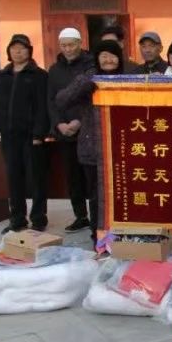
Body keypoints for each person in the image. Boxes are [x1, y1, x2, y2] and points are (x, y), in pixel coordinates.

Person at [55, 40, 124, 244]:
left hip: (121, 150)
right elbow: (61, 100)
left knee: (120, 196)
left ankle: (121, 237)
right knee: (97, 197)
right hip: (93, 149)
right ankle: (100, 238)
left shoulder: (127, 79)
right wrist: (86, 82)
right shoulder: (88, 79)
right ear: (97, 59)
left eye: (113, 55)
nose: (108, 60)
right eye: (104, 55)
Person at [0, 34, 50, 232]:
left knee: (36, 178)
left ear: (29, 51)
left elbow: (43, 106)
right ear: (9, 52)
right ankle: (17, 219)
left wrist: (39, 134)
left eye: (22, 49)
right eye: (14, 48)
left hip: (31, 136)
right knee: (13, 178)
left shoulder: (39, 75)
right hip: (9, 136)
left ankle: (38, 219)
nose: (18, 52)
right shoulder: (1, 76)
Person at [47, 27, 94, 232]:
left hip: (88, 130)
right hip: (65, 132)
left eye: (71, 45)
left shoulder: (90, 66)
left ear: (80, 43)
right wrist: (59, 124)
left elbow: (93, 99)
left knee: (91, 177)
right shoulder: (54, 70)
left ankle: (97, 216)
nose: (68, 49)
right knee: (72, 176)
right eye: (64, 45)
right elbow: (50, 101)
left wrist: (80, 122)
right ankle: (80, 216)